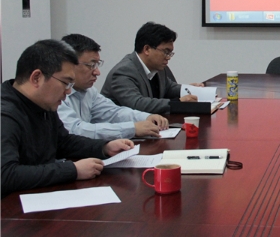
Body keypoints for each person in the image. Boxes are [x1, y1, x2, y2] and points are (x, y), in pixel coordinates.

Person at [1, 40, 134, 198]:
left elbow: (63, 142)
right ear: (36, 78)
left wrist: (104, 147)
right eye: (66, 83)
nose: (69, 92)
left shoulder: (42, 104)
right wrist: (73, 170)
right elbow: (5, 175)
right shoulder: (5, 114)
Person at [59, 34, 170, 140]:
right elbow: (75, 130)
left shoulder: (89, 91)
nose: (97, 72)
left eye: (97, 65)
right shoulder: (57, 94)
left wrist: (146, 117)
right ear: (69, 64)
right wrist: (131, 129)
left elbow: (113, 112)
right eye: (91, 65)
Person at [101, 22, 201, 114]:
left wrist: (192, 90)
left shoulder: (158, 68)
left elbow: (169, 88)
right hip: (123, 126)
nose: (168, 57)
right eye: (166, 52)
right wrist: (177, 103)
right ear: (147, 49)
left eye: (170, 53)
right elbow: (137, 104)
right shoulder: (123, 72)